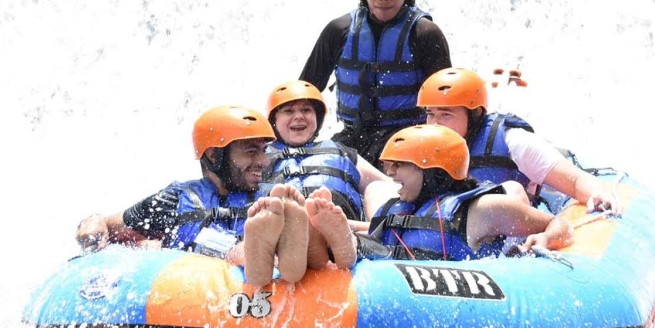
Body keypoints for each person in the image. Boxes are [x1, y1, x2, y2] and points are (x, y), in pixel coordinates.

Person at [73, 106, 311, 289]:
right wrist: (92, 221)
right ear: (214, 155)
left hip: (260, 294)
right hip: (188, 296)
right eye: (251, 151)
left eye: (263, 150)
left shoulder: (273, 198)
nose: (264, 161)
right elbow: (109, 226)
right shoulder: (174, 199)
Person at [299, 0, 452, 165]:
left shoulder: (425, 33)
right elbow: (305, 91)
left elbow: (448, 101)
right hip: (353, 136)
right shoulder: (338, 30)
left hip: (409, 136)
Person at [362, 124, 573, 261]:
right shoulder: (395, 209)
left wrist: (546, 238)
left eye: (399, 165)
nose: (390, 172)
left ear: (434, 172)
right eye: (389, 165)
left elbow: (560, 225)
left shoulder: (482, 209)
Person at [417, 68, 616, 213]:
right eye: (430, 114)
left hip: (513, 230)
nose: (434, 125)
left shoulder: (514, 142)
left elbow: (576, 181)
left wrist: (596, 194)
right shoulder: (421, 148)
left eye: (445, 115)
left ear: (474, 114)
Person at [259, 80, 388, 271]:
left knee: (378, 187)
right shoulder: (259, 156)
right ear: (274, 121)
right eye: (288, 111)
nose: (299, 117)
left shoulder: (341, 151)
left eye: (306, 110)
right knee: (295, 226)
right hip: (284, 233)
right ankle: (317, 233)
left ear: (317, 118)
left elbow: (386, 186)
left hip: (348, 227)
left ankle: (341, 236)